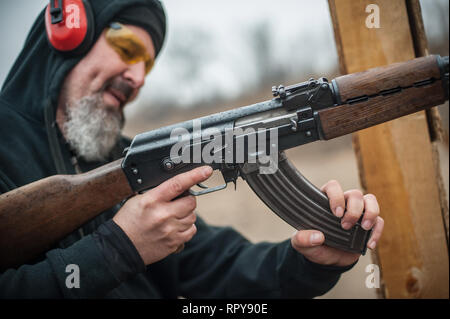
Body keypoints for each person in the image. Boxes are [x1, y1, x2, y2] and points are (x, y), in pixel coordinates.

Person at [0, 0, 383, 298]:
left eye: (147, 65)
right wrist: (119, 249)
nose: (137, 77)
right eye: (127, 48)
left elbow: (214, 267)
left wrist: (311, 262)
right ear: (69, 32)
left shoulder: (119, 157)